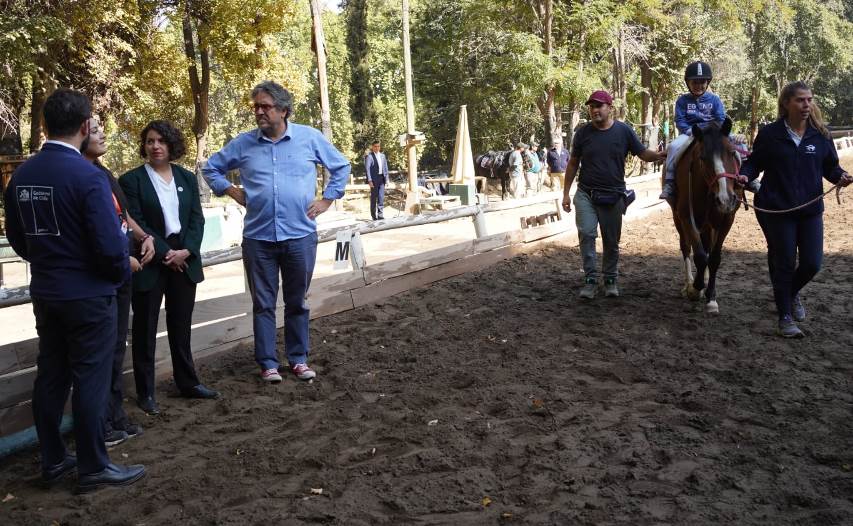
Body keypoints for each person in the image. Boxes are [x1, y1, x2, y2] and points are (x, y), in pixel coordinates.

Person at [2, 88, 145, 493]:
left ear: (46, 124)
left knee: (51, 376)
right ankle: (94, 466)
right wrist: (118, 273)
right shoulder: (88, 176)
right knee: (91, 380)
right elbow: (107, 243)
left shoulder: (23, 175)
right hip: (88, 295)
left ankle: (53, 460)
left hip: (47, 291)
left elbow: (16, 238)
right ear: (85, 126)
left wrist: (49, 259)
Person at [203, 80, 351, 383]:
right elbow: (211, 168)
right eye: (256, 106)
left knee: (298, 301)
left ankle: (298, 359)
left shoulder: (309, 138)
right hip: (258, 239)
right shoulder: (243, 143)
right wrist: (231, 190)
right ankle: (268, 363)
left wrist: (327, 199)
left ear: (283, 110)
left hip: (299, 236)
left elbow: (341, 166)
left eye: (265, 106)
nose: (259, 112)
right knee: (264, 304)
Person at [119, 120, 219, 416]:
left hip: (185, 258)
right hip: (152, 259)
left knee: (180, 325)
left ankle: (188, 382)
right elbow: (137, 222)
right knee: (145, 328)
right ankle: (146, 392)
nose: (156, 146)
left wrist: (187, 250)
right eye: (150, 141)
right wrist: (167, 253)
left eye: (162, 140)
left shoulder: (187, 178)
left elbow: (196, 219)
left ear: (172, 144)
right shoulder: (132, 180)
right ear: (144, 146)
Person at [740, 81, 852, 338]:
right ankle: (785, 316)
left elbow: (830, 168)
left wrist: (841, 176)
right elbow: (754, 163)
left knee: (812, 263)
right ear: (786, 103)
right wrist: (744, 176)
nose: (806, 105)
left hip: (810, 210)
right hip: (776, 209)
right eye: (801, 100)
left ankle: (788, 293)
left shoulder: (820, 134)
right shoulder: (770, 134)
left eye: (809, 99)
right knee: (785, 262)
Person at [82, 116, 153, 446]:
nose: (101, 134)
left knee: (116, 347)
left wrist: (143, 237)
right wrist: (120, 257)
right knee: (103, 353)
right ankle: (104, 425)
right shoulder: (79, 176)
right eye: (94, 130)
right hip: (103, 275)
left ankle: (115, 415)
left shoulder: (104, 173)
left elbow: (122, 217)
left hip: (122, 272)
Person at [562, 90, 666, 299]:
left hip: (612, 195)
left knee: (611, 240)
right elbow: (573, 163)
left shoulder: (624, 131)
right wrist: (565, 194)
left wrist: (660, 155)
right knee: (587, 233)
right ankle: (590, 280)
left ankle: (610, 279)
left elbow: (642, 153)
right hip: (586, 194)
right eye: (591, 106)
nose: (594, 110)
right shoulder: (582, 133)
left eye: (599, 106)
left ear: (610, 108)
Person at [659, 61, 726, 202]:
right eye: (694, 82)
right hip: (689, 133)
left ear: (707, 82)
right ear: (688, 83)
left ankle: (747, 179)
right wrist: (689, 131)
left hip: (712, 134)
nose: (698, 85)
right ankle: (670, 182)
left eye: (702, 82)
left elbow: (720, 118)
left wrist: (713, 131)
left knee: (737, 145)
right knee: (673, 147)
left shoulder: (715, 100)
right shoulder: (682, 101)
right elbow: (680, 120)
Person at [365, 140, 389, 220]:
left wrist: (387, 179)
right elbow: (367, 169)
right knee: (374, 198)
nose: (377, 148)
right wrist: (370, 180)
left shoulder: (383, 156)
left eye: (378, 146)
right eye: (375, 146)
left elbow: (385, 168)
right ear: (372, 147)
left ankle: (380, 215)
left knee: (381, 197)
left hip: (382, 179)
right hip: (374, 180)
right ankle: (373, 216)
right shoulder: (369, 156)